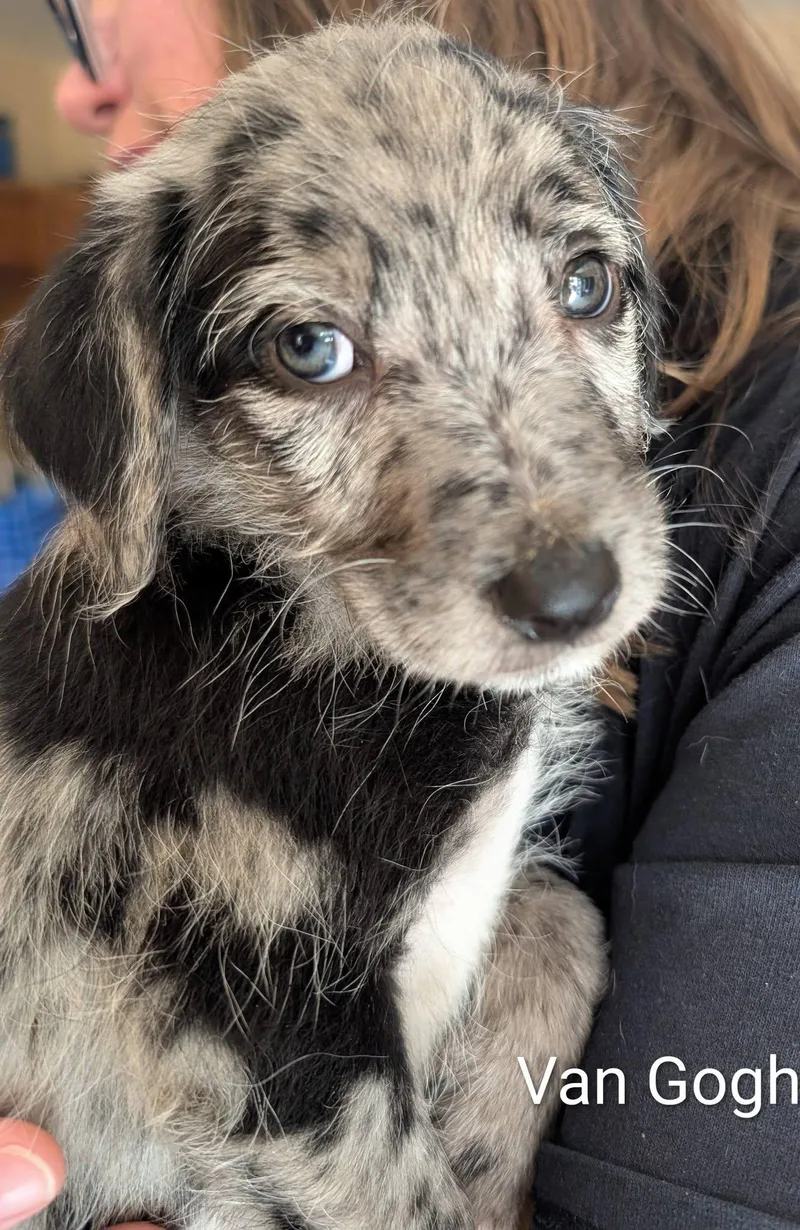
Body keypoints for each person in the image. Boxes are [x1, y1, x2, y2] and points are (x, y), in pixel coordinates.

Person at [1, 0, 799, 1227]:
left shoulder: (768, 468)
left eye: (582, 286)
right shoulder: (204, 645)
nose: (553, 547)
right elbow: (277, 1078)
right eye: (312, 349)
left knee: (546, 935)